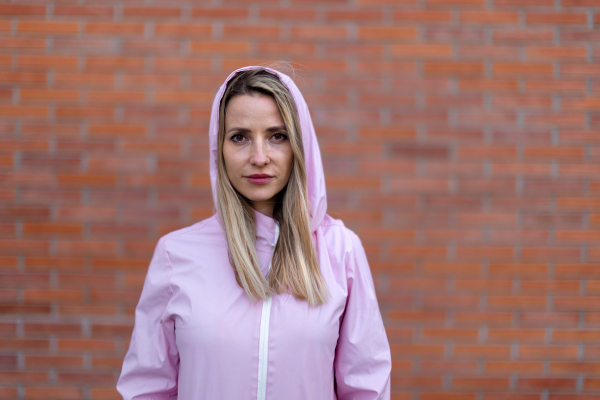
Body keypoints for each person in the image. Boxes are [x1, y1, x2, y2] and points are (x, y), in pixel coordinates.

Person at [116, 66, 391, 399]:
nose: (259, 158)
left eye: (277, 136)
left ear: (298, 147)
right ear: (219, 148)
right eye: (240, 137)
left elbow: (366, 388)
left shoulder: (341, 250)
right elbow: (147, 388)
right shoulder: (176, 255)